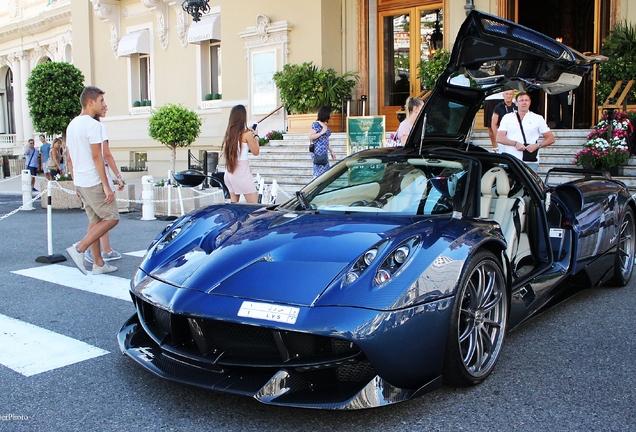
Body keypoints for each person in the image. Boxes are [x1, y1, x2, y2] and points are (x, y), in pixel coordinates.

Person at [64, 86, 119, 275]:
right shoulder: (94, 125)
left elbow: (70, 158)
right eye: (101, 101)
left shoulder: (72, 125)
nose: (104, 104)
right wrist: (106, 185)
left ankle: (98, 263)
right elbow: (98, 157)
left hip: (81, 179)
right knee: (112, 218)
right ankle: (79, 248)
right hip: (93, 180)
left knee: (95, 221)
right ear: (91, 102)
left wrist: (75, 181)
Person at [84, 103, 124, 265]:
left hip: (85, 179)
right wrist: (117, 176)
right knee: (109, 217)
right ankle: (84, 248)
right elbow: (106, 155)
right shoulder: (98, 128)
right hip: (99, 177)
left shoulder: (79, 127)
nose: (106, 107)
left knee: (96, 219)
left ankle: (100, 251)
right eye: (103, 104)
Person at [496, 91, 555, 173]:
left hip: (530, 160)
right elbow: (499, 138)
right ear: (516, 103)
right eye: (521, 100)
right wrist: (515, 143)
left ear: (530, 102)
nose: (524, 103)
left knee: (529, 185)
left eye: (526, 100)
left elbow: (551, 138)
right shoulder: (507, 117)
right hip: (511, 159)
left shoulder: (537, 118)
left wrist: (537, 145)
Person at [222, 104, 260, 203]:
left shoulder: (229, 135)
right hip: (241, 172)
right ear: (243, 117)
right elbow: (255, 151)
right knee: (254, 207)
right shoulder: (247, 134)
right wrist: (255, 136)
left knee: (234, 207)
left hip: (230, 171)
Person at [309, 106, 336, 178]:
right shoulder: (316, 124)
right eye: (330, 113)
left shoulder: (325, 125)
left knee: (325, 171)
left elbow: (326, 140)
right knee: (318, 170)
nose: (330, 115)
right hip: (318, 151)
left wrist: (331, 151)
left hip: (324, 152)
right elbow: (311, 137)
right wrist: (321, 132)